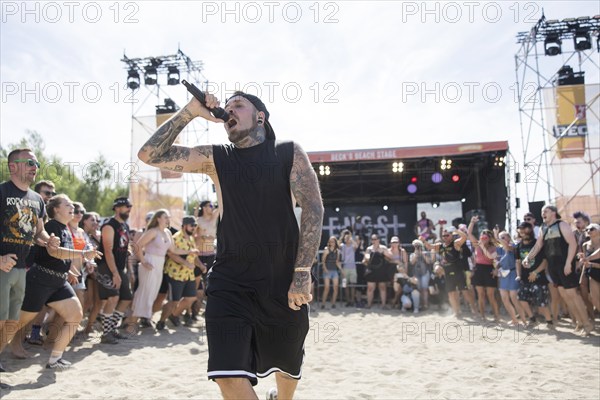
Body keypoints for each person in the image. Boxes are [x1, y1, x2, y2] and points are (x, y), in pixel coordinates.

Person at [137, 89, 323, 399]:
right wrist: (191, 111)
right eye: (227, 108)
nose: (229, 112)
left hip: (282, 281)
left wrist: (302, 270)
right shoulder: (217, 157)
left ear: (260, 117)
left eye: (238, 105)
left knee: (287, 368)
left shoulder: (288, 152)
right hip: (229, 282)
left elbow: (313, 208)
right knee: (227, 375)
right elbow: (149, 155)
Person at [9, 194, 101, 369]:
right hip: (40, 280)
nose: (72, 207)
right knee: (17, 323)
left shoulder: (65, 228)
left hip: (59, 281)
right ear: (56, 209)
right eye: (67, 204)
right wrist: (82, 255)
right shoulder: (51, 226)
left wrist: (70, 270)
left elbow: (61, 258)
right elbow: (55, 252)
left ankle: (55, 359)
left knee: (75, 316)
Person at [0, 149, 60, 373]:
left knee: (12, 323)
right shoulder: (2, 191)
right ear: (13, 166)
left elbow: (39, 232)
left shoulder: (37, 200)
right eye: (30, 162)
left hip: (21, 268)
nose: (35, 166)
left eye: (37, 163)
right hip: (2, 266)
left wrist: (48, 241)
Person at [523, 205, 593, 336]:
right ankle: (580, 322)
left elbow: (573, 244)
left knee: (573, 294)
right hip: (553, 266)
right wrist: (528, 257)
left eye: (546, 211)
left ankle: (588, 324)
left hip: (565, 264)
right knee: (565, 295)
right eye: (542, 211)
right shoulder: (543, 228)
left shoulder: (562, 225)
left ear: (554, 213)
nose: (543, 213)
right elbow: (538, 246)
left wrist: (568, 263)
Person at [124, 209, 196, 332]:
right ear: (158, 218)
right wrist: (143, 261)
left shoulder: (167, 232)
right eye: (165, 217)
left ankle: (132, 323)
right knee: (143, 294)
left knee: (151, 295)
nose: (168, 219)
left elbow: (173, 250)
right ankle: (130, 325)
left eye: (169, 217)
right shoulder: (153, 231)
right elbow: (138, 246)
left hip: (159, 264)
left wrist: (189, 251)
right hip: (150, 262)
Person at [95, 197, 134, 344]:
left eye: (130, 206)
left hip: (118, 267)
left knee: (126, 298)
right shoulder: (109, 225)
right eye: (126, 206)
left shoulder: (124, 225)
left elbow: (123, 243)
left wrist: (127, 250)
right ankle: (106, 333)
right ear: (117, 208)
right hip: (106, 266)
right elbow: (108, 250)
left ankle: (112, 329)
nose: (129, 209)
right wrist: (115, 273)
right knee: (113, 298)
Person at [156, 216, 200, 330]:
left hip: (188, 274)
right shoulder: (175, 237)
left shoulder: (191, 238)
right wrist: (186, 263)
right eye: (192, 225)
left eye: (195, 226)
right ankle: (161, 321)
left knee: (191, 298)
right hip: (174, 274)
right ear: (184, 226)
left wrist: (201, 265)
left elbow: (193, 255)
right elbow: (171, 254)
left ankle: (174, 315)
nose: (194, 228)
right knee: (173, 301)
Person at [514, 222, 554, 329]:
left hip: (539, 277)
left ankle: (549, 322)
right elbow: (518, 262)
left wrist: (535, 272)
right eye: (520, 229)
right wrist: (518, 275)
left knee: (541, 302)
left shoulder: (538, 244)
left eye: (525, 229)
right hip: (524, 278)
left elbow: (545, 261)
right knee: (521, 299)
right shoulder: (518, 246)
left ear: (530, 230)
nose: (522, 231)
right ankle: (532, 319)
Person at [467, 216, 500, 322]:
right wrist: (472, 222)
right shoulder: (477, 245)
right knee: (481, 295)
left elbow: (491, 257)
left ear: (489, 238)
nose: (482, 239)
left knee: (491, 295)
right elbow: (469, 233)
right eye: (482, 237)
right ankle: (482, 316)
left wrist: (482, 246)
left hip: (489, 269)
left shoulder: (493, 247)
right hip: (479, 269)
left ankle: (496, 316)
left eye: (485, 237)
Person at [363, 234, 391, 309]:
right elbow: (365, 259)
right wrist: (366, 258)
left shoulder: (383, 248)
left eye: (375, 239)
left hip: (381, 270)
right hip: (371, 270)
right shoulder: (369, 249)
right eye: (372, 239)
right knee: (370, 288)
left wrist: (383, 252)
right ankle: (369, 304)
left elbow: (390, 257)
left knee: (382, 287)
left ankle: (383, 305)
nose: (374, 241)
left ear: (378, 240)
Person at [321, 236, 342, 309]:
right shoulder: (326, 249)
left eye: (332, 241)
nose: (331, 243)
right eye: (330, 241)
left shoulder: (337, 251)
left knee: (336, 288)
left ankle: (333, 303)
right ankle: (323, 304)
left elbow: (337, 262)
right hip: (327, 270)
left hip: (334, 271)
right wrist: (325, 268)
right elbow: (323, 260)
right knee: (326, 288)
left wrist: (341, 270)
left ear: (335, 242)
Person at [340, 230, 359, 307]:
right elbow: (338, 244)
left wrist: (351, 238)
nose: (347, 239)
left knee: (353, 285)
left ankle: (352, 300)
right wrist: (342, 236)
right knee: (345, 285)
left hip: (352, 268)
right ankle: (348, 300)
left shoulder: (352, 246)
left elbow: (356, 245)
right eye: (346, 238)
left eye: (348, 238)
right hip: (345, 268)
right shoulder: (343, 246)